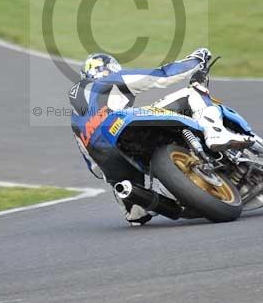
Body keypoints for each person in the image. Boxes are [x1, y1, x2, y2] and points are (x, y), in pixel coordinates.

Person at [68, 48, 253, 224]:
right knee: (190, 93)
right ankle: (215, 134)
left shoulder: (76, 119)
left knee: (137, 215)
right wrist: (197, 59)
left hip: (110, 163)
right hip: (121, 126)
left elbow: (95, 169)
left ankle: (144, 204)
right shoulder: (110, 80)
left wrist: (113, 173)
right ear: (110, 70)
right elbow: (162, 76)